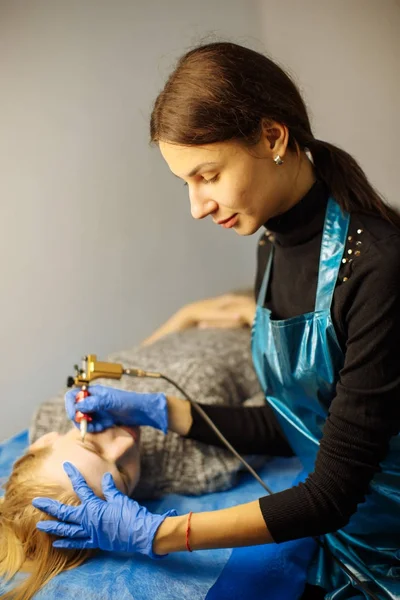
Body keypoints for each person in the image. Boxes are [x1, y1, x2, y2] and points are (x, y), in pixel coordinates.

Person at [32, 41, 400, 600]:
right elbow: (306, 422)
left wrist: (159, 534)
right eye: (186, 183)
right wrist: (163, 411)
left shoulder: (378, 267)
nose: (197, 206)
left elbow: (334, 489)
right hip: (343, 544)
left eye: (207, 175)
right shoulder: (272, 247)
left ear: (273, 138)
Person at [0, 424, 145, 600]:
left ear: (46, 440)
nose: (127, 442)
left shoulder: (47, 417)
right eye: (123, 475)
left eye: (92, 446)